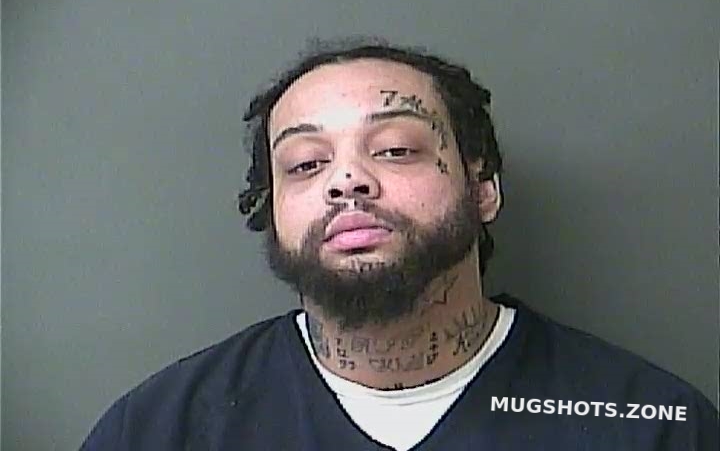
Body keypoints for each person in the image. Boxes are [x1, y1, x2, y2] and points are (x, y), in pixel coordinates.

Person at [81, 37, 718, 450]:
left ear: (483, 189)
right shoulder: (158, 430)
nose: (347, 181)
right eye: (306, 164)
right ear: (270, 210)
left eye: (394, 149)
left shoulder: (654, 426)